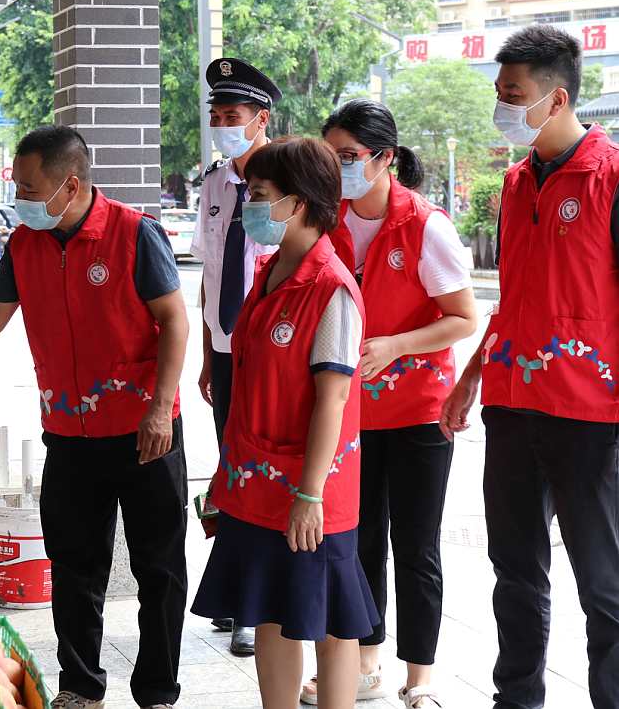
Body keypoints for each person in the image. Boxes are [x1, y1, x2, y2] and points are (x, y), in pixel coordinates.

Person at [0, 124, 190, 709]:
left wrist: (160, 408)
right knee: (74, 564)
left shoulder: (135, 234)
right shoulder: (25, 245)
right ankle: (81, 688)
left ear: (70, 184)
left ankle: (157, 691)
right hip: (70, 434)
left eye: (29, 187)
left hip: (144, 432)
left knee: (159, 565)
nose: (20, 197)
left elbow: (175, 320)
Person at [441, 24, 619, 709]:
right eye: (498, 92)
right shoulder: (516, 183)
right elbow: (511, 296)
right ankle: (515, 699)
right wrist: (470, 376)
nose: (501, 105)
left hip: (589, 414)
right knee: (513, 571)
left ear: (556, 98)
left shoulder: (607, 176)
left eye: (511, 94)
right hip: (512, 407)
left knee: (603, 583)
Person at [190, 136, 378, 709]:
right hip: (254, 482)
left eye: (260, 195)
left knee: (328, 621)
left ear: (297, 205)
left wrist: (310, 492)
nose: (248, 204)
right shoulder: (269, 272)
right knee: (266, 609)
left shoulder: (330, 289)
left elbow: (333, 401)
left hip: (308, 488)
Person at [301, 100, 477, 709]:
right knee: (358, 538)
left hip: (419, 413)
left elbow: (463, 318)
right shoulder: (329, 220)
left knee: (417, 545)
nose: (339, 168)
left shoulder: (426, 226)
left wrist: (398, 344)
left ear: (385, 158)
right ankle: (366, 660)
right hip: (351, 413)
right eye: (331, 157)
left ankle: (420, 677)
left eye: (348, 157)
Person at [190, 58, 283, 656]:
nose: (224, 125)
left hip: (274, 352)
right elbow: (210, 274)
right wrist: (206, 352)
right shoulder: (218, 182)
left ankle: (257, 604)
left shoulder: (288, 176)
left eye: (234, 116)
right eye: (217, 115)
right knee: (230, 468)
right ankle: (235, 597)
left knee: (261, 468)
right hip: (226, 348)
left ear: (261, 119)